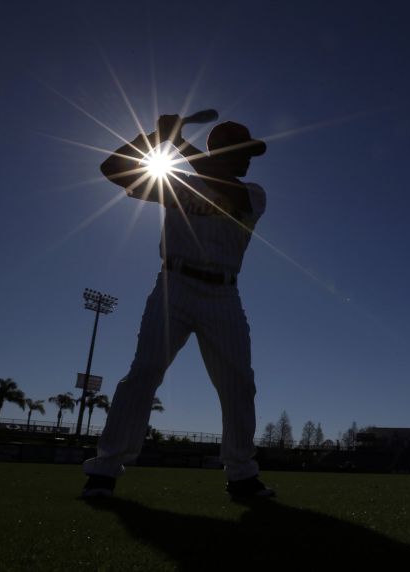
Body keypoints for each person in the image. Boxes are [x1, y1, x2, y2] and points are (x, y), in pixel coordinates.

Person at [81, 114, 274, 499]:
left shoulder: (253, 193)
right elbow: (112, 169)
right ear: (221, 152)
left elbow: (225, 191)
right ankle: (104, 471)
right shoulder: (179, 184)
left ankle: (241, 476)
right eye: (243, 152)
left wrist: (176, 142)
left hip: (223, 294)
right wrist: (153, 138)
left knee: (238, 383)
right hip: (174, 286)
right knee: (145, 372)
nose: (249, 160)